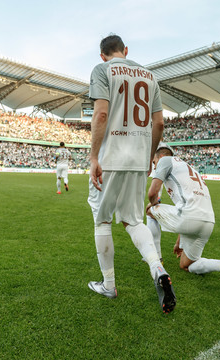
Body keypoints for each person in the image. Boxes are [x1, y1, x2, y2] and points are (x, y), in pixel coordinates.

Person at [87, 34, 176, 314]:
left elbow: (101, 114)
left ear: (102, 55)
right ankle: (157, 267)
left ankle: (109, 285)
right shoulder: (149, 76)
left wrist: (93, 156)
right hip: (138, 158)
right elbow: (159, 122)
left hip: (111, 156)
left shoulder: (102, 70)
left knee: (102, 220)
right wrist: (150, 155)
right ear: (125, 50)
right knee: (134, 221)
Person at [146, 144, 220, 292]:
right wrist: (179, 243)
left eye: (154, 162)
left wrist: (154, 206)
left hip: (189, 218)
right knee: (186, 265)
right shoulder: (188, 167)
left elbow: (152, 193)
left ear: (162, 157)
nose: (155, 166)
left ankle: (157, 259)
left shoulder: (165, 161)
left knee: (149, 210)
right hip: (208, 221)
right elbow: (184, 207)